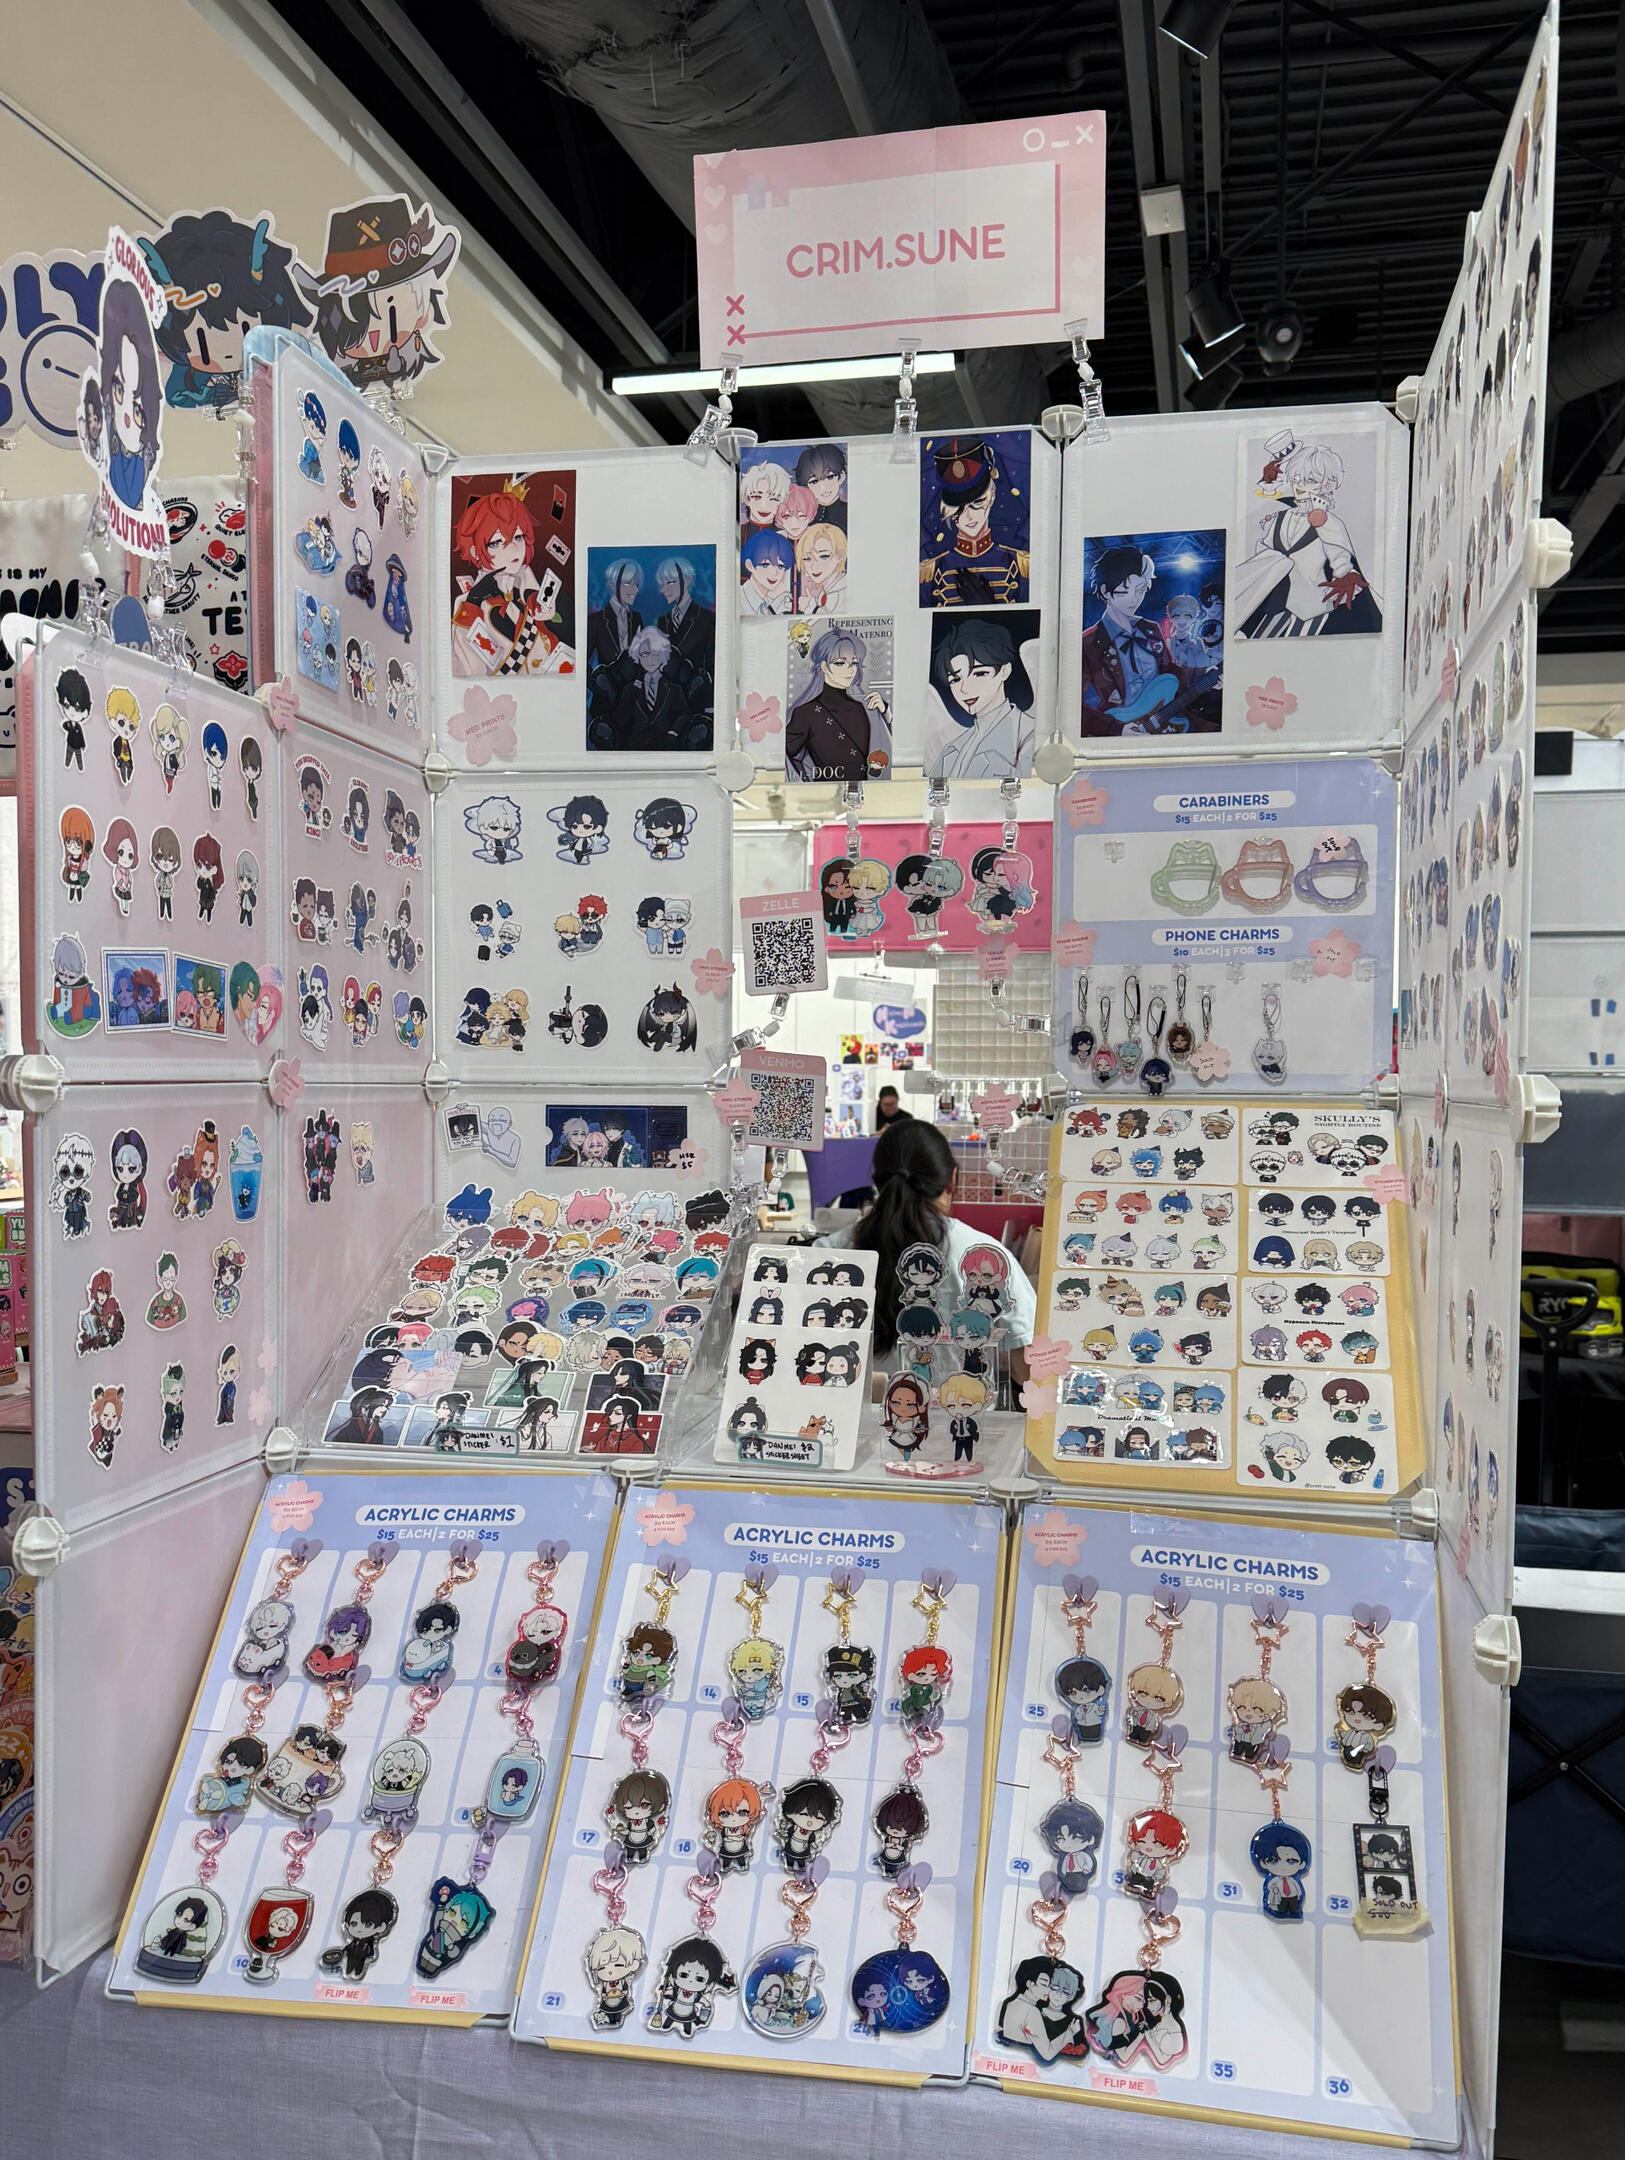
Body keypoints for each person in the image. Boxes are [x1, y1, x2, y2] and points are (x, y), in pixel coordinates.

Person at [819, 1119, 1034, 1365]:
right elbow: (1028, 1367)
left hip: (849, 1390)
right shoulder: (987, 1257)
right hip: (962, 1390)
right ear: (952, 1179)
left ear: (877, 1181)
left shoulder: (829, 1255)